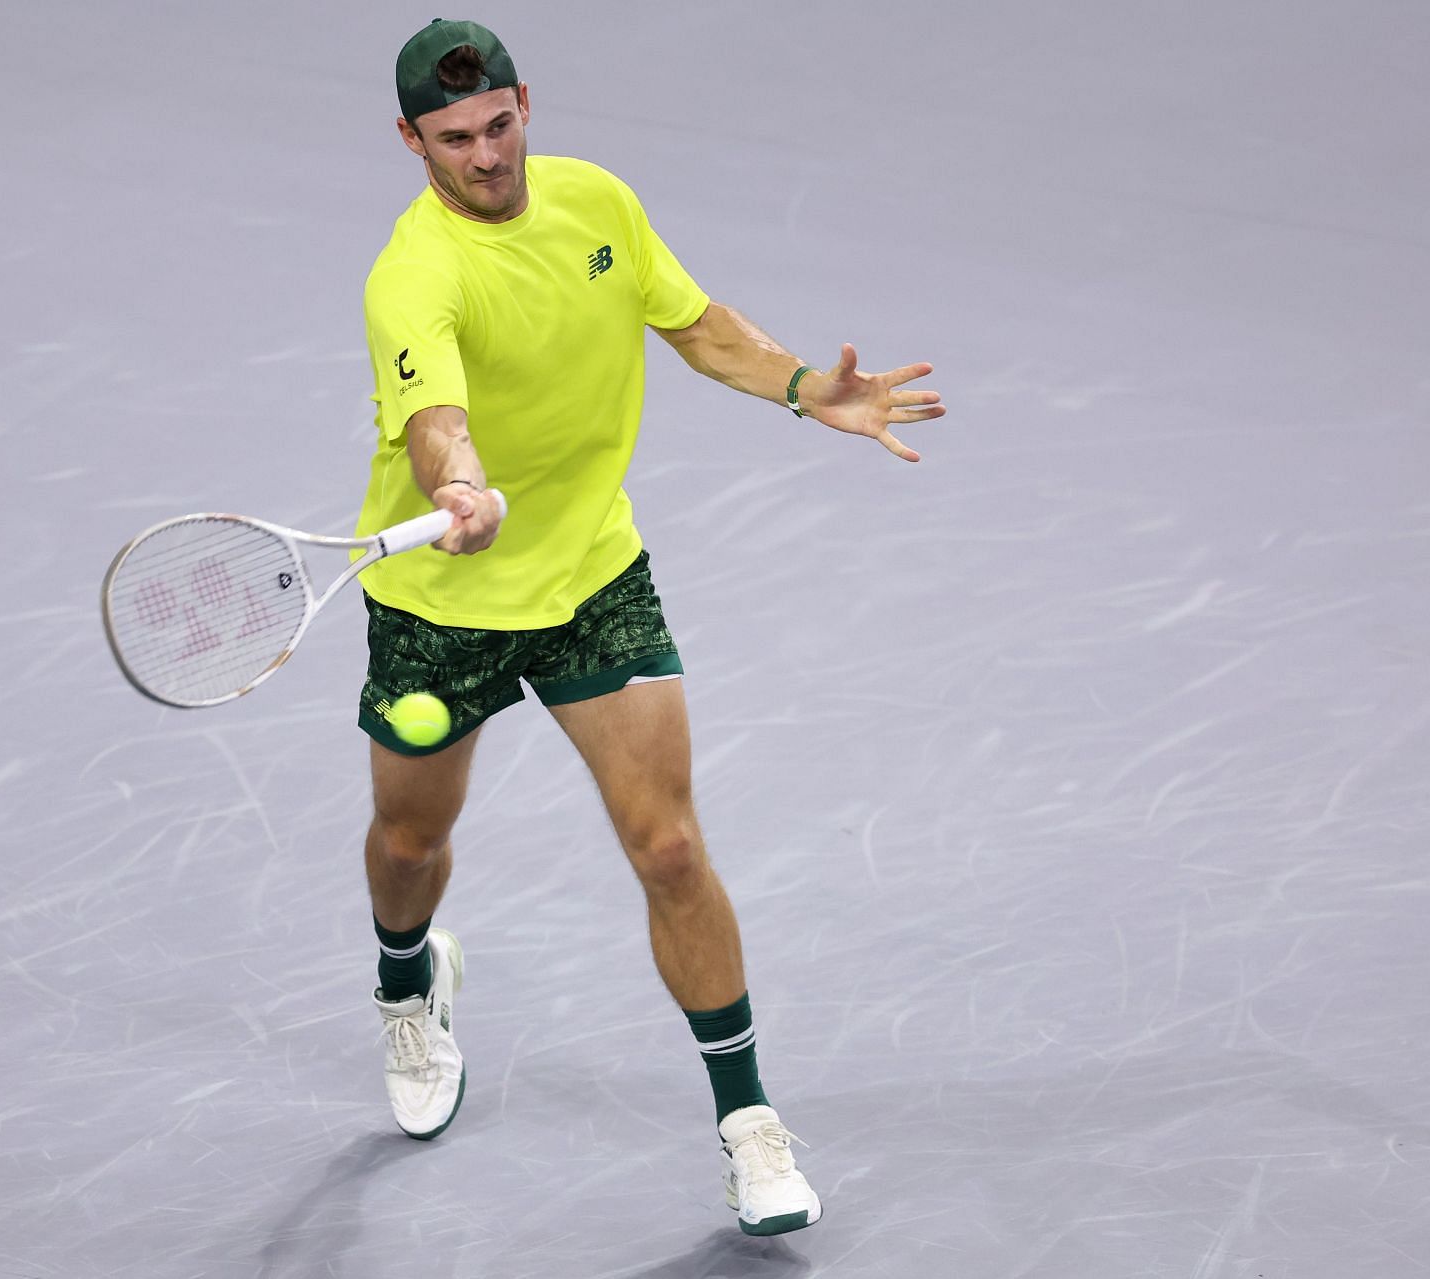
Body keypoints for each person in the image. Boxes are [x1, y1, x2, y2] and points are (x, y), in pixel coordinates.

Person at [352, 19, 945, 1236]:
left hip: (590, 576)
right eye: (455, 139)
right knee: (411, 847)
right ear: (411, 140)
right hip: (442, 605)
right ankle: (409, 983)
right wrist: (458, 484)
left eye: (500, 125)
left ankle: (748, 1125)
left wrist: (799, 385)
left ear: (528, 103)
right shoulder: (412, 274)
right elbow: (434, 422)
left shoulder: (596, 202)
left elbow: (691, 319)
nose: (485, 156)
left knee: (670, 847)